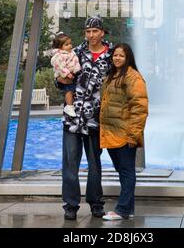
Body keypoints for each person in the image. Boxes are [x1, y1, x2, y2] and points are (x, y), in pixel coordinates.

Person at [56, 16, 114, 220]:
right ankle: (70, 205)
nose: (91, 35)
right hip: (72, 118)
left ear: (102, 33)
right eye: (88, 31)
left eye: (95, 31)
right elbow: (62, 80)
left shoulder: (112, 55)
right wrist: (61, 80)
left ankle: (96, 203)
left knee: (94, 163)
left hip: (95, 118)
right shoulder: (76, 53)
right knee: (70, 163)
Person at [100, 43, 148, 220]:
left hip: (125, 134)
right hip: (112, 133)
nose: (117, 58)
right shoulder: (113, 75)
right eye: (115, 55)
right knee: (122, 170)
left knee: (127, 172)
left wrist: (133, 135)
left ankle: (122, 210)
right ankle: (129, 209)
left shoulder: (133, 78)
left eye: (121, 55)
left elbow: (140, 108)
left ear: (128, 58)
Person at [51, 32, 81, 117]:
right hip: (66, 75)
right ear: (60, 47)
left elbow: (75, 61)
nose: (70, 46)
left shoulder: (71, 52)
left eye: (70, 44)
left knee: (71, 90)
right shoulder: (59, 56)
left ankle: (70, 106)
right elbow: (60, 67)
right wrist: (67, 74)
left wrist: (76, 69)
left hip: (72, 75)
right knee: (69, 90)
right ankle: (69, 106)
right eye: (67, 44)